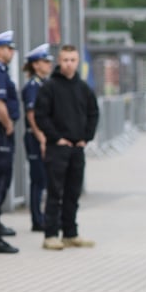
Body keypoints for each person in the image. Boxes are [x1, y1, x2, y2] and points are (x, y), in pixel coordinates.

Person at [35, 44, 99, 250]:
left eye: (72, 60)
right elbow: (41, 116)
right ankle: (50, 234)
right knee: (55, 192)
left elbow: (93, 113)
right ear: (59, 61)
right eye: (65, 60)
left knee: (73, 192)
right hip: (58, 148)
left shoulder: (83, 88)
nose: (69, 64)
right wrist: (56, 138)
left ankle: (70, 233)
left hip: (77, 147)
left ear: (78, 61)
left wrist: (86, 137)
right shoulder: (50, 87)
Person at [21, 43, 54, 232]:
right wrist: (42, 138)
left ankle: (40, 217)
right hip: (35, 138)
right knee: (38, 179)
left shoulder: (44, 84)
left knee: (43, 179)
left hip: (42, 137)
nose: (48, 64)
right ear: (35, 65)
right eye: (44, 61)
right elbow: (31, 115)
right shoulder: (33, 86)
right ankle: (36, 220)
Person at [0, 30, 20, 237]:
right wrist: (8, 124)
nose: (11, 51)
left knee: (1, 181)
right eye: (9, 48)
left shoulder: (0, 70)